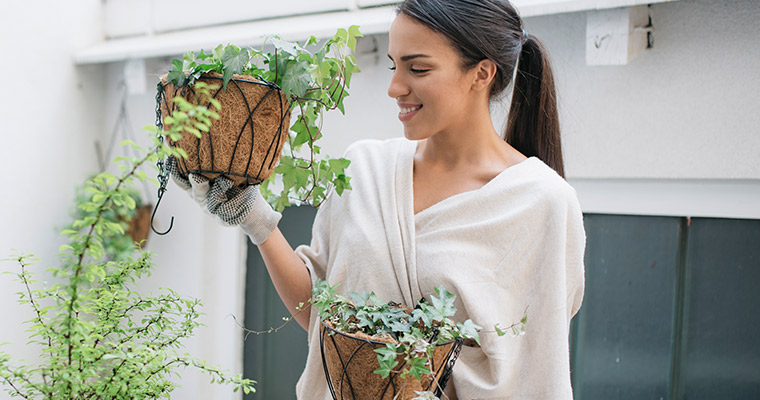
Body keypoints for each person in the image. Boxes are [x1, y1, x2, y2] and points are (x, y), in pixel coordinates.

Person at [164, 0, 586, 398]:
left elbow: (536, 372)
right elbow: (322, 317)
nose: (394, 87)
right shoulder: (365, 169)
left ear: (482, 73)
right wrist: (254, 218)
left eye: (417, 69)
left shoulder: (539, 203)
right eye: (392, 65)